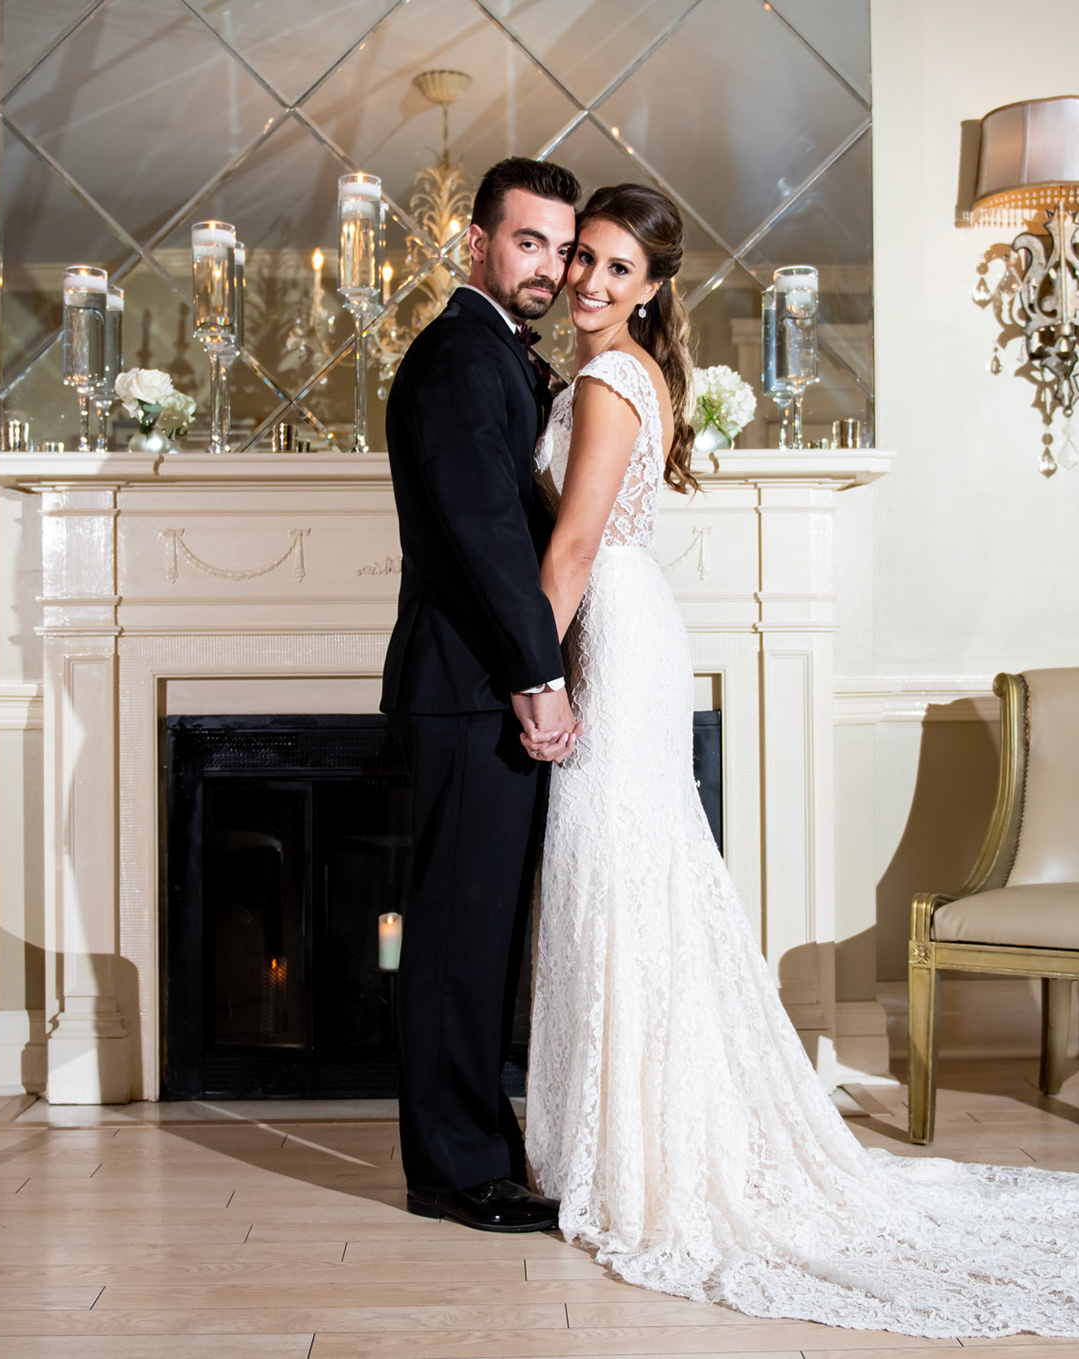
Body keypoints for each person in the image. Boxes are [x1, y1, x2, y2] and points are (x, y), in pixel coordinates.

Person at [518, 182, 1079, 1338]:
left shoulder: (607, 381)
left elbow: (573, 540)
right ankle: (641, 1134)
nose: (592, 284)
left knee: (620, 868)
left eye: (617, 269)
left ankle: (646, 1152)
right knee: (633, 872)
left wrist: (535, 677)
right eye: (584, 262)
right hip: (640, 623)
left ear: (653, 288)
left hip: (610, 622)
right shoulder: (639, 375)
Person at [380, 155, 584, 1234]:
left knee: (479, 935)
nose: (547, 266)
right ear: (476, 243)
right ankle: (454, 1174)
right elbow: (484, 539)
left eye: (560, 246)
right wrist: (537, 677)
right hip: (471, 692)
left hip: (475, 689)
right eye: (527, 242)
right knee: (458, 940)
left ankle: (478, 1152)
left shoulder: (500, 356)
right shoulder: (461, 355)